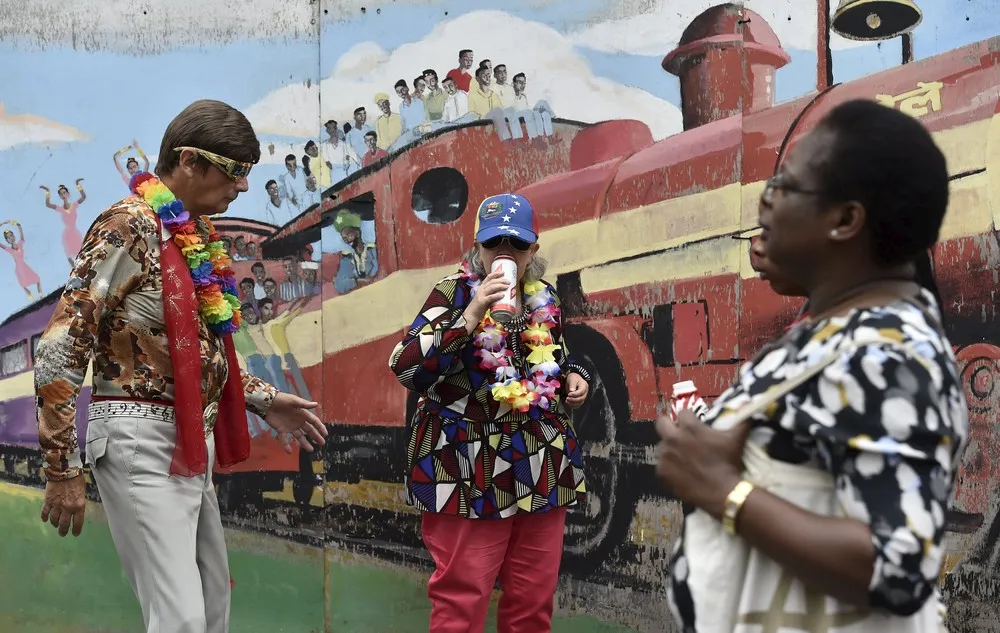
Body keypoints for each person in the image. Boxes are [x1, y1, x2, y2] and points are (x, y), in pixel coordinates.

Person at [657, 98, 967, 632]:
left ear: (846, 220)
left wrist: (721, 489)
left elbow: (897, 565)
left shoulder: (887, 353)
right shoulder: (848, 330)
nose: (765, 204)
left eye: (784, 187)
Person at [34, 99, 329, 633]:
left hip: (186, 438)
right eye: (235, 172)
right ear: (191, 162)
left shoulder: (188, 236)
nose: (241, 188)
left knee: (212, 605)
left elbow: (194, 349)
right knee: (181, 620)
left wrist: (263, 397)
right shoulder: (129, 226)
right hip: (136, 438)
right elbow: (61, 343)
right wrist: (61, 467)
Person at [388, 193, 591, 632]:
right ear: (476, 247)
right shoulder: (453, 292)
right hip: (466, 466)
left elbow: (557, 357)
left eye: (515, 245)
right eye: (492, 242)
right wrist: (473, 311)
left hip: (541, 462)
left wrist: (576, 375)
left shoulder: (544, 298)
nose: (503, 253)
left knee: (533, 603)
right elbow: (406, 367)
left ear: (533, 250)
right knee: (462, 600)